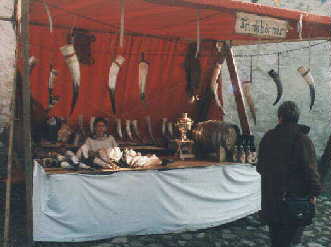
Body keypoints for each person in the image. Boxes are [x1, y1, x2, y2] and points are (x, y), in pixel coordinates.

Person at [256, 101, 321, 247]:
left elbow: (260, 167)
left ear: (280, 117)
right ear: (297, 118)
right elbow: (311, 171)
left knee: (276, 239)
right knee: (290, 240)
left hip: (272, 199)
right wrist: (314, 194)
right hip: (295, 200)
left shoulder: (268, 137)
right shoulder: (304, 140)